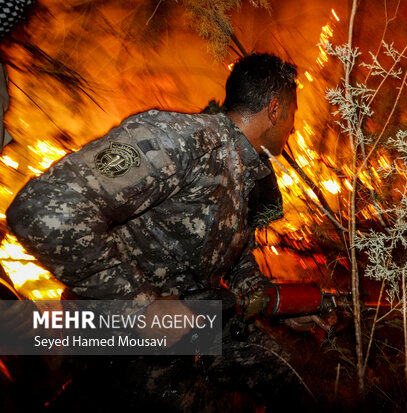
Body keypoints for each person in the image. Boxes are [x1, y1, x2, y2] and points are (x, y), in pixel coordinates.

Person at [6, 53, 303, 409]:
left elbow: (234, 256)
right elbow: (42, 208)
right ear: (275, 109)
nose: (293, 128)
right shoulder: (182, 139)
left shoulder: (250, 173)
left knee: (287, 373)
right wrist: (142, 306)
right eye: (292, 115)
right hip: (118, 332)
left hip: (193, 321)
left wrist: (276, 300)